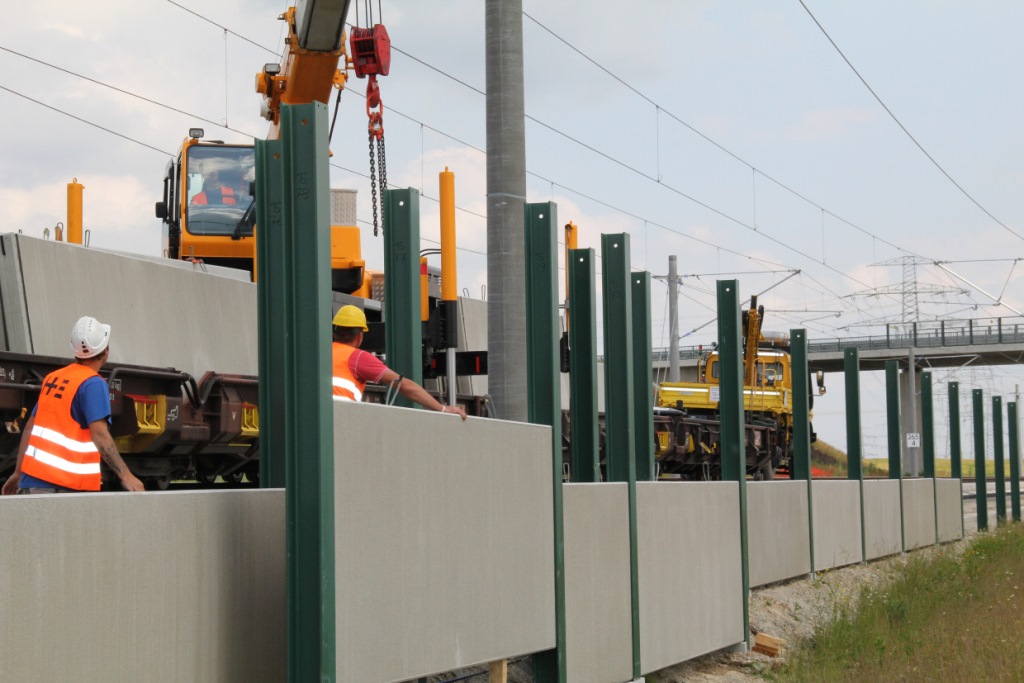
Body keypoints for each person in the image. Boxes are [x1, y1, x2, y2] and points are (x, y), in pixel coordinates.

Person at [1, 316, 145, 494]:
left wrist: (18, 472)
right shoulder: (93, 383)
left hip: (34, 481)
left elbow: (30, 427)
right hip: (65, 486)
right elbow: (99, 434)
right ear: (105, 350)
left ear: (75, 350)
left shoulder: (53, 378)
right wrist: (126, 476)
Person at [332, 305, 468, 420]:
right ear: (360, 336)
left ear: (335, 333)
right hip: (341, 420)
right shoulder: (358, 357)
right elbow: (404, 386)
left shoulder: (318, 353)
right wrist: (443, 408)